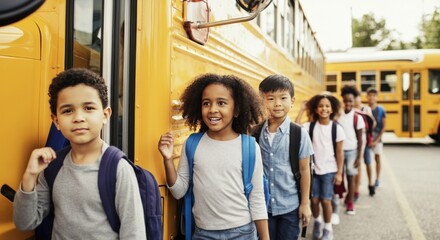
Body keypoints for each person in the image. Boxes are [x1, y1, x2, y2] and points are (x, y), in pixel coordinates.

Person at [13, 68, 146, 239]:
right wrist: (30, 175)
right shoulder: (53, 167)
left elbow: (134, 233)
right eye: (68, 111)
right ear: (56, 121)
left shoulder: (117, 168)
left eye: (89, 108)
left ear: (105, 115)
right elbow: (25, 223)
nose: (78, 118)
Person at [158, 74, 269, 240]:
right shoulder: (193, 143)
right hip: (203, 233)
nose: (212, 109)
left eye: (221, 103)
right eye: (206, 103)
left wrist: (265, 237)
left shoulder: (249, 147)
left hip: (242, 232)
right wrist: (167, 159)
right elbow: (179, 191)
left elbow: (257, 198)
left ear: (237, 109)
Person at [255, 74, 313, 240]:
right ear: (262, 101)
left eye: (283, 98)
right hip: (263, 208)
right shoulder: (255, 132)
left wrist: (304, 204)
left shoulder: (299, 133)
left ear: (292, 101)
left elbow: (304, 170)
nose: (277, 103)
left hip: (290, 207)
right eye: (271, 98)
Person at [300, 94, 345, 240]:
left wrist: (339, 173)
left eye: (327, 106)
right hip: (313, 171)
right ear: (316, 109)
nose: (324, 108)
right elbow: (296, 128)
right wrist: (301, 110)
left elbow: (339, 152)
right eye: (321, 106)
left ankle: (328, 228)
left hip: (329, 170)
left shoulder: (336, 129)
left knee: (326, 200)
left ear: (332, 109)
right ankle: (318, 222)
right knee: (314, 200)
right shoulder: (310, 126)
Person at [339, 85, 365, 215]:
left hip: (352, 151)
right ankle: (341, 198)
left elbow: (360, 140)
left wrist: (359, 157)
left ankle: (350, 202)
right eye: (346, 101)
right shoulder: (338, 116)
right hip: (339, 152)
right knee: (340, 177)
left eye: (351, 101)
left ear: (354, 101)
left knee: (351, 177)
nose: (348, 103)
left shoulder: (357, 118)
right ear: (343, 100)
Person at [354, 95, 377, 198]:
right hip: (356, 141)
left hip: (366, 141)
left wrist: (369, 116)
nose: (355, 100)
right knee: (358, 165)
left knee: (368, 163)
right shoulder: (351, 110)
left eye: (357, 98)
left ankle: (370, 183)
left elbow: (373, 124)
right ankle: (357, 188)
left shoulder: (366, 109)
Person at [366, 87, 387, 188]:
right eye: (369, 95)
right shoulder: (365, 109)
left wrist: (376, 140)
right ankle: (369, 181)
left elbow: (384, 127)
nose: (371, 97)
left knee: (377, 158)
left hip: (377, 140)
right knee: (368, 161)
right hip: (367, 140)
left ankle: (377, 179)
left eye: (374, 95)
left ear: (377, 97)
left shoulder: (381, 110)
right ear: (367, 97)